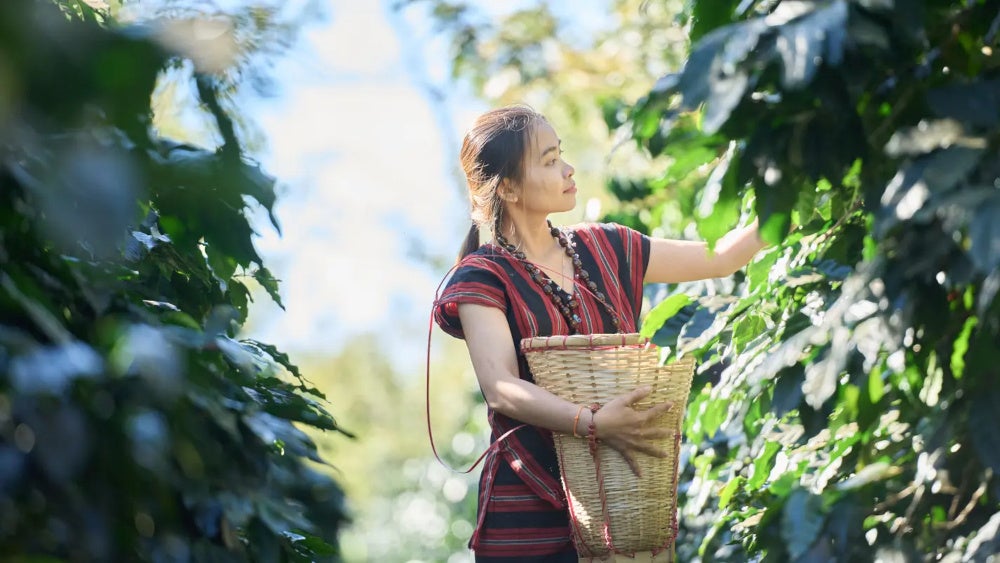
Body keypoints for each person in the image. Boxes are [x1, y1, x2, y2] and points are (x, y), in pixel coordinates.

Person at [432, 105, 768, 562]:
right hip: (528, 514)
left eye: (561, 155)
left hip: (623, 501)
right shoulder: (483, 276)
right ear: (507, 186)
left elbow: (722, 258)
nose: (568, 170)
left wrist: (790, 191)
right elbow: (502, 389)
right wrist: (590, 423)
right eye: (549, 161)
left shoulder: (609, 247)